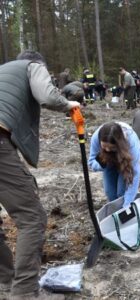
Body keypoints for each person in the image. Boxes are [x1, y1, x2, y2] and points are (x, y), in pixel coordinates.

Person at [0, 50, 80, 299]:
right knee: (32, 218)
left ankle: (4, 279)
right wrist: (69, 104)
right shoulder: (32, 65)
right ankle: (24, 292)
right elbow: (46, 96)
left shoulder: (3, 72)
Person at [88, 121, 140, 208]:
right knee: (110, 192)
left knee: (122, 192)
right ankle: (117, 211)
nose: (108, 150)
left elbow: (133, 174)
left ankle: (126, 210)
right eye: (104, 146)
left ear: (119, 144)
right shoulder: (96, 137)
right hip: (108, 161)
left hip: (125, 159)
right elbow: (91, 162)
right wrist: (102, 165)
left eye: (112, 147)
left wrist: (127, 205)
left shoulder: (131, 143)